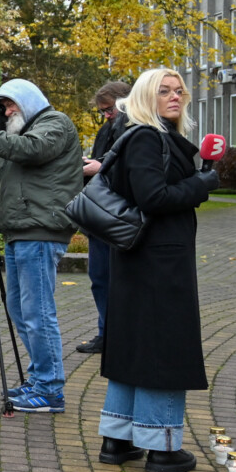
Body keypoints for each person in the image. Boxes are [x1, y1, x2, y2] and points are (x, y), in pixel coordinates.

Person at [97, 68, 217, 472]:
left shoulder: (136, 135)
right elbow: (153, 197)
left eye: (179, 90)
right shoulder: (148, 137)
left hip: (139, 257)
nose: (175, 96)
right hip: (159, 261)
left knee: (133, 344)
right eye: (164, 91)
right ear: (146, 96)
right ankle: (162, 446)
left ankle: (118, 439)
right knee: (164, 347)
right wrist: (202, 184)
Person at [0, 78, 82, 414]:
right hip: (21, 231)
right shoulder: (20, 134)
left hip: (40, 230)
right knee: (21, 310)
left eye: (10, 104)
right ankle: (40, 380)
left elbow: (30, 150)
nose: (7, 112)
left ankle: (50, 390)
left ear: (28, 100)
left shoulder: (54, 124)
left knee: (37, 313)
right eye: (3, 107)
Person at [77, 81, 130, 355]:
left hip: (121, 218)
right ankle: (106, 334)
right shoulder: (107, 130)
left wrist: (100, 167)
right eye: (102, 111)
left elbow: (131, 170)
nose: (106, 115)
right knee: (99, 278)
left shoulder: (137, 130)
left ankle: (119, 337)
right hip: (101, 217)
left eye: (109, 110)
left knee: (118, 281)